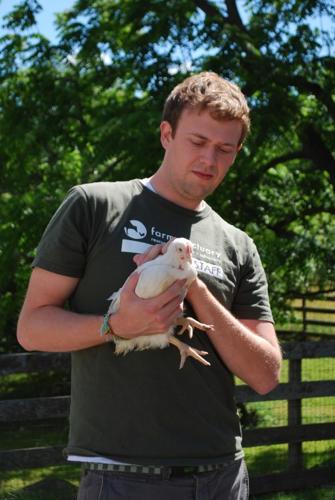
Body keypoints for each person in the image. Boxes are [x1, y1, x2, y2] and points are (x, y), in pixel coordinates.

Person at [17, 71, 282, 500]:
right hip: (120, 475)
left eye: (225, 150)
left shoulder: (238, 245)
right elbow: (31, 327)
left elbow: (266, 375)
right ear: (166, 134)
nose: (209, 161)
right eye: (197, 142)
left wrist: (193, 285)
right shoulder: (95, 206)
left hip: (222, 473)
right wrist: (114, 326)